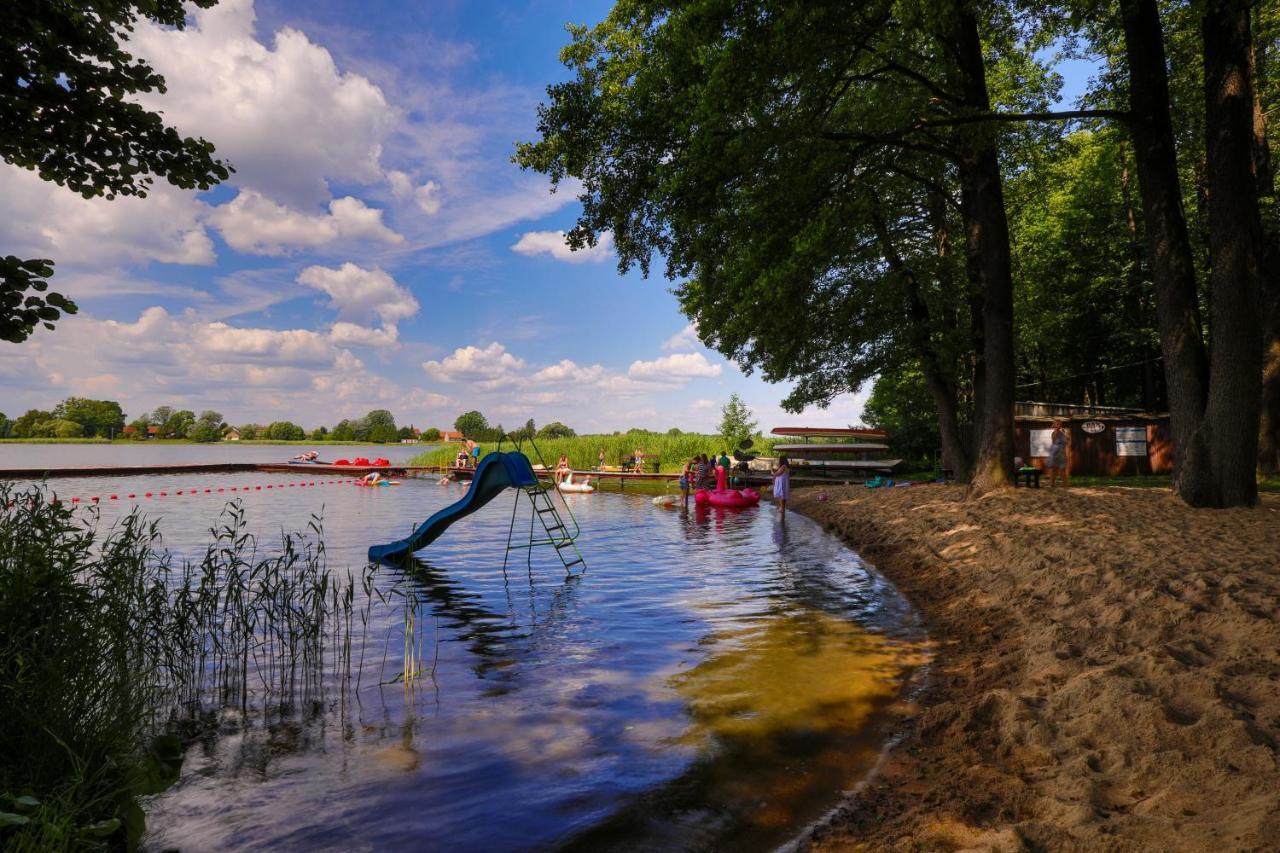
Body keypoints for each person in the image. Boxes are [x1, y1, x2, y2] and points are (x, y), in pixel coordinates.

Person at [1046, 421, 1070, 487]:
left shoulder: (1062, 433)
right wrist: (1056, 429)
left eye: (1060, 424)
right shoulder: (1054, 432)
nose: (1059, 425)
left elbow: (1067, 440)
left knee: (1062, 468)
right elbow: (1053, 438)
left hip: (1061, 452)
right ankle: (1052, 484)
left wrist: (1066, 434)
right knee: (1053, 468)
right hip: (1055, 451)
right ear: (1054, 425)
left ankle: (1065, 484)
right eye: (1057, 424)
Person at [772, 455, 790, 519]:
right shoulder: (786, 466)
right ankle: (782, 508)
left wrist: (774, 473)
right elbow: (778, 473)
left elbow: (777, 474)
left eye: (779, 460)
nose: (779, 461)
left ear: (781, 460)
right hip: (783, 482)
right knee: (783, 495)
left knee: (781, 494)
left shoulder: (783, 466)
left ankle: (782, 508)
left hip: (781, 483)